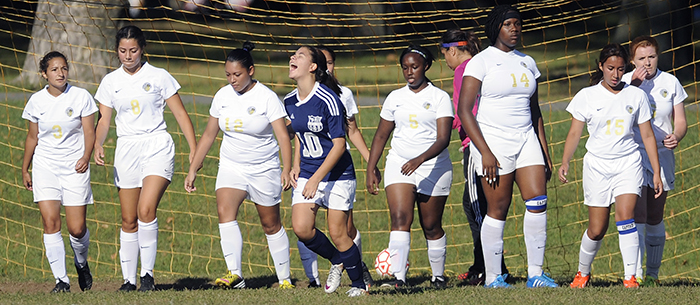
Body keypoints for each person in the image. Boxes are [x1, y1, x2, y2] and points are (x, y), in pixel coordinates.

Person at [457, 5, 556, 288]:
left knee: (538, 202)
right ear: (496, 28)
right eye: (508, 24)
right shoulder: (481, 62)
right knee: (498, 208)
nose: (515, 29)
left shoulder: (528, 62)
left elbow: (534, 110)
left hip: (527, 139)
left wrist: (545, 153)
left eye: (518, 24)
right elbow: (465, 111)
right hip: (493, 142)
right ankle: (493, 277)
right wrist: (485, 152)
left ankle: (535, 274)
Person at [93, 25, 198, 292]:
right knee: (128, 219)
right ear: (116, 51)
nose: (128, 56)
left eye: (133, 50)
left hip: (157, 146)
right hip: (127, 149)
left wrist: (194, 152)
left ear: (143, 49)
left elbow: (181, 115)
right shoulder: (110, 82)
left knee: (145, 210)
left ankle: (147, 276)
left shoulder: (159, 76)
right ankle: (128, 281)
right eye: (122, 51)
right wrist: (98, 143)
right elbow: (104, 120)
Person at [183, 42, 294, 289]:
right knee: (225, 213)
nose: (232, 80)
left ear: (251, 71)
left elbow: (283, 136)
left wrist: (286, 169)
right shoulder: (222, 96)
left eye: (237, 75)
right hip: (231, 166)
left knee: (270, 223)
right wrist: (193, 168)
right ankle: (235, 274)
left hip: (264, 168)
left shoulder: (267, 97)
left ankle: (284, 279)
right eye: (228, 75)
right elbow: (210, 134)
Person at [559, 43, 663, 289]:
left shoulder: (636, 96)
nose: (615, 74)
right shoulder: (587, 96)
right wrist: (565, 161)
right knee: (597, 229)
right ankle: (582, 273)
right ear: (601, 67)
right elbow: (575, 133)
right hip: (597, 167)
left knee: (625, 217)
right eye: (610, 69)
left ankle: (630, 278)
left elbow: (647, 136)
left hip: (628, 164)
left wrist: (656, 172)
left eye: (620, 69)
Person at [366, 45, 452, 289]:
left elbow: (443, 139)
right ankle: (398, 279)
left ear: (426, 66)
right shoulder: (395, 97)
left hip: (433, 166)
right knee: (400, 218)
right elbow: (382, 135)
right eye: (405, 67)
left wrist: (419, 160)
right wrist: (371, 167)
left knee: (431, 225)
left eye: (414, 66)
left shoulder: (439, 98)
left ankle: (438, 277)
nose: (409, 72)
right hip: (399, 163)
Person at [285, 45, 367, 297]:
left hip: (337, 174)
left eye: (299, 55)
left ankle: (359, 285)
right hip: (308, 172)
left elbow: (340, 144)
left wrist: (317, 178)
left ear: (312, 67)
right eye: (292, 55)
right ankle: (337, 260)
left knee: (339, 232)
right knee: (301, 228)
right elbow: (300, 133)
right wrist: (295, 164)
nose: (292, 57)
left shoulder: (329, 99)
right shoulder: (289, 100)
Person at [21, 51, 97, 293]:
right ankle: (61, 281)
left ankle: (81, 263)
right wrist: (25, 168)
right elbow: (33, 137)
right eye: (54, 69)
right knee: (50, 222)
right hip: (45, 166)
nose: (60, 73)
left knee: (76, 228)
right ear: (44, 74)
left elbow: (89, 132)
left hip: (75, 167)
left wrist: (85, 157)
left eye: (63, 68)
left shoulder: (81, 96)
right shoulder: (36, 101)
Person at [440, 28, 509, 286]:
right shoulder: (481, 65)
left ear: (453, 50)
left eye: (444, 53)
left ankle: (489, 269)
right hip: (489, 142)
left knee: (477, 207)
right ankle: (481, 265)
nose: (445, 60)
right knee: (478, 205)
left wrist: (464, 131)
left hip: (477, 144)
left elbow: (467, 108)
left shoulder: (463, 70)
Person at [621, 35, 688, 286]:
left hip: (662, 155)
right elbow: (617, 112)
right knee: (637, 212)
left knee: (655, 215)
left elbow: (680, 120)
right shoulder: (626, 83)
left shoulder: (670, 82)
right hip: (633, 153)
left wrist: (676, 135)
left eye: (651, 57)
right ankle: (634, 274)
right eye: (641, 58)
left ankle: (652, 274)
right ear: (632, 60)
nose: (647, 63)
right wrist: (634, 86)